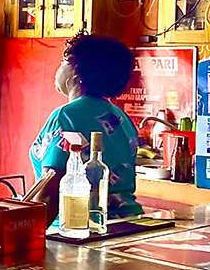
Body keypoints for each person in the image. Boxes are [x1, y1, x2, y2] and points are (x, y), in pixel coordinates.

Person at [30, 34, 142, 224]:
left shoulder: (65, 116)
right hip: (127, 221)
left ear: (76, 70)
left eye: (64, 61)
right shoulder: (121, 117)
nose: (58, 68)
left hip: (79, 226)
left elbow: (49, 193)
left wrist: (26, 235)